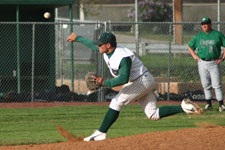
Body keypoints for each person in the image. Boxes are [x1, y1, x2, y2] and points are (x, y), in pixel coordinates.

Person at [67, 31, 203, 141]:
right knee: (153, 114)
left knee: (116, 102)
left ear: (108, 45)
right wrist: (77, 37)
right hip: (143, 80)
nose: (98, 46)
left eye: (101, 44)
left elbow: (123, 78)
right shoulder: (107, 51)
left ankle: (101, 132)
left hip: (141, 81)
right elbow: (92, 44)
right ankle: (184, 107)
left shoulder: (122, 57)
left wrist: (104, 83)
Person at [187, 17, 225, 112]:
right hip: (202, 62)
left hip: (214, 62)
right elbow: (189, 46)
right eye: (203, 24)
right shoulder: (199, 36)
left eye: (207, 24)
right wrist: (195, 56)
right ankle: (208, 104)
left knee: (217, 84)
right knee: (205, 84)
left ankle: (221, 104)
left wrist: (222, 58)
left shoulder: (217, 35)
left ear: (210, 24)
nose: (205, 26)